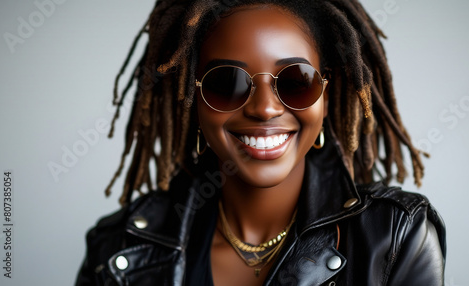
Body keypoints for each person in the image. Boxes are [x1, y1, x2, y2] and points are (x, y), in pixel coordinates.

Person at [75, 0, 446, 285]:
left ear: (326, 96)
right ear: (193, 101)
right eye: (227, 84)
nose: (266, 108)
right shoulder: (117, 248)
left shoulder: (395, 237)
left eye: (296, 81)